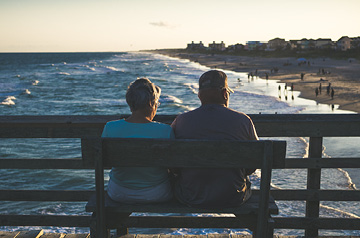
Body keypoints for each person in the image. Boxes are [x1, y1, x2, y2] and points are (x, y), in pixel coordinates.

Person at [171, 70, 259, 208]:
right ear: (225, 94)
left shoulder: (180, 121)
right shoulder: (244, 121)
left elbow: (173, 165)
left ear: (199, 95)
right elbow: (254, 162)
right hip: (233, 197)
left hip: (190, 196)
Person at [102, 78, 174, 204]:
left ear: (130, 103)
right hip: (157, 194)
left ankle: (119, 223)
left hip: (119, 193)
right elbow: (174, 167)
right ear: (151, 103)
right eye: (157, 103)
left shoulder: (110, 127)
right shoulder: (165, 131)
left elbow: (106, 163)